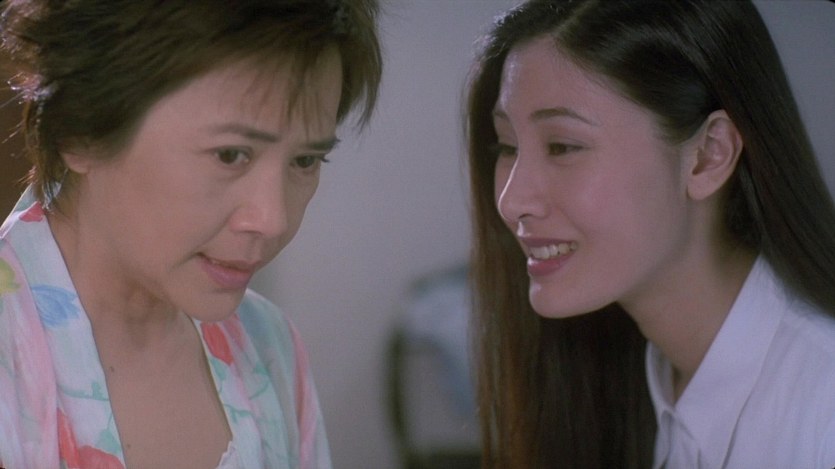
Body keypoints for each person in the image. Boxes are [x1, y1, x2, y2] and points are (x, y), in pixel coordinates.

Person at [0, 0, 381, 467]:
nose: (273, 219)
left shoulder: (268, 345)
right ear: (80, 131)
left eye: (304, 161)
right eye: (230, 155)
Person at [465, 0, 835, 467]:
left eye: (562, 146)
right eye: (507, 147)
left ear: (709, 155)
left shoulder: (823, 409)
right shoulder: (633, 378)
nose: (512, 200)